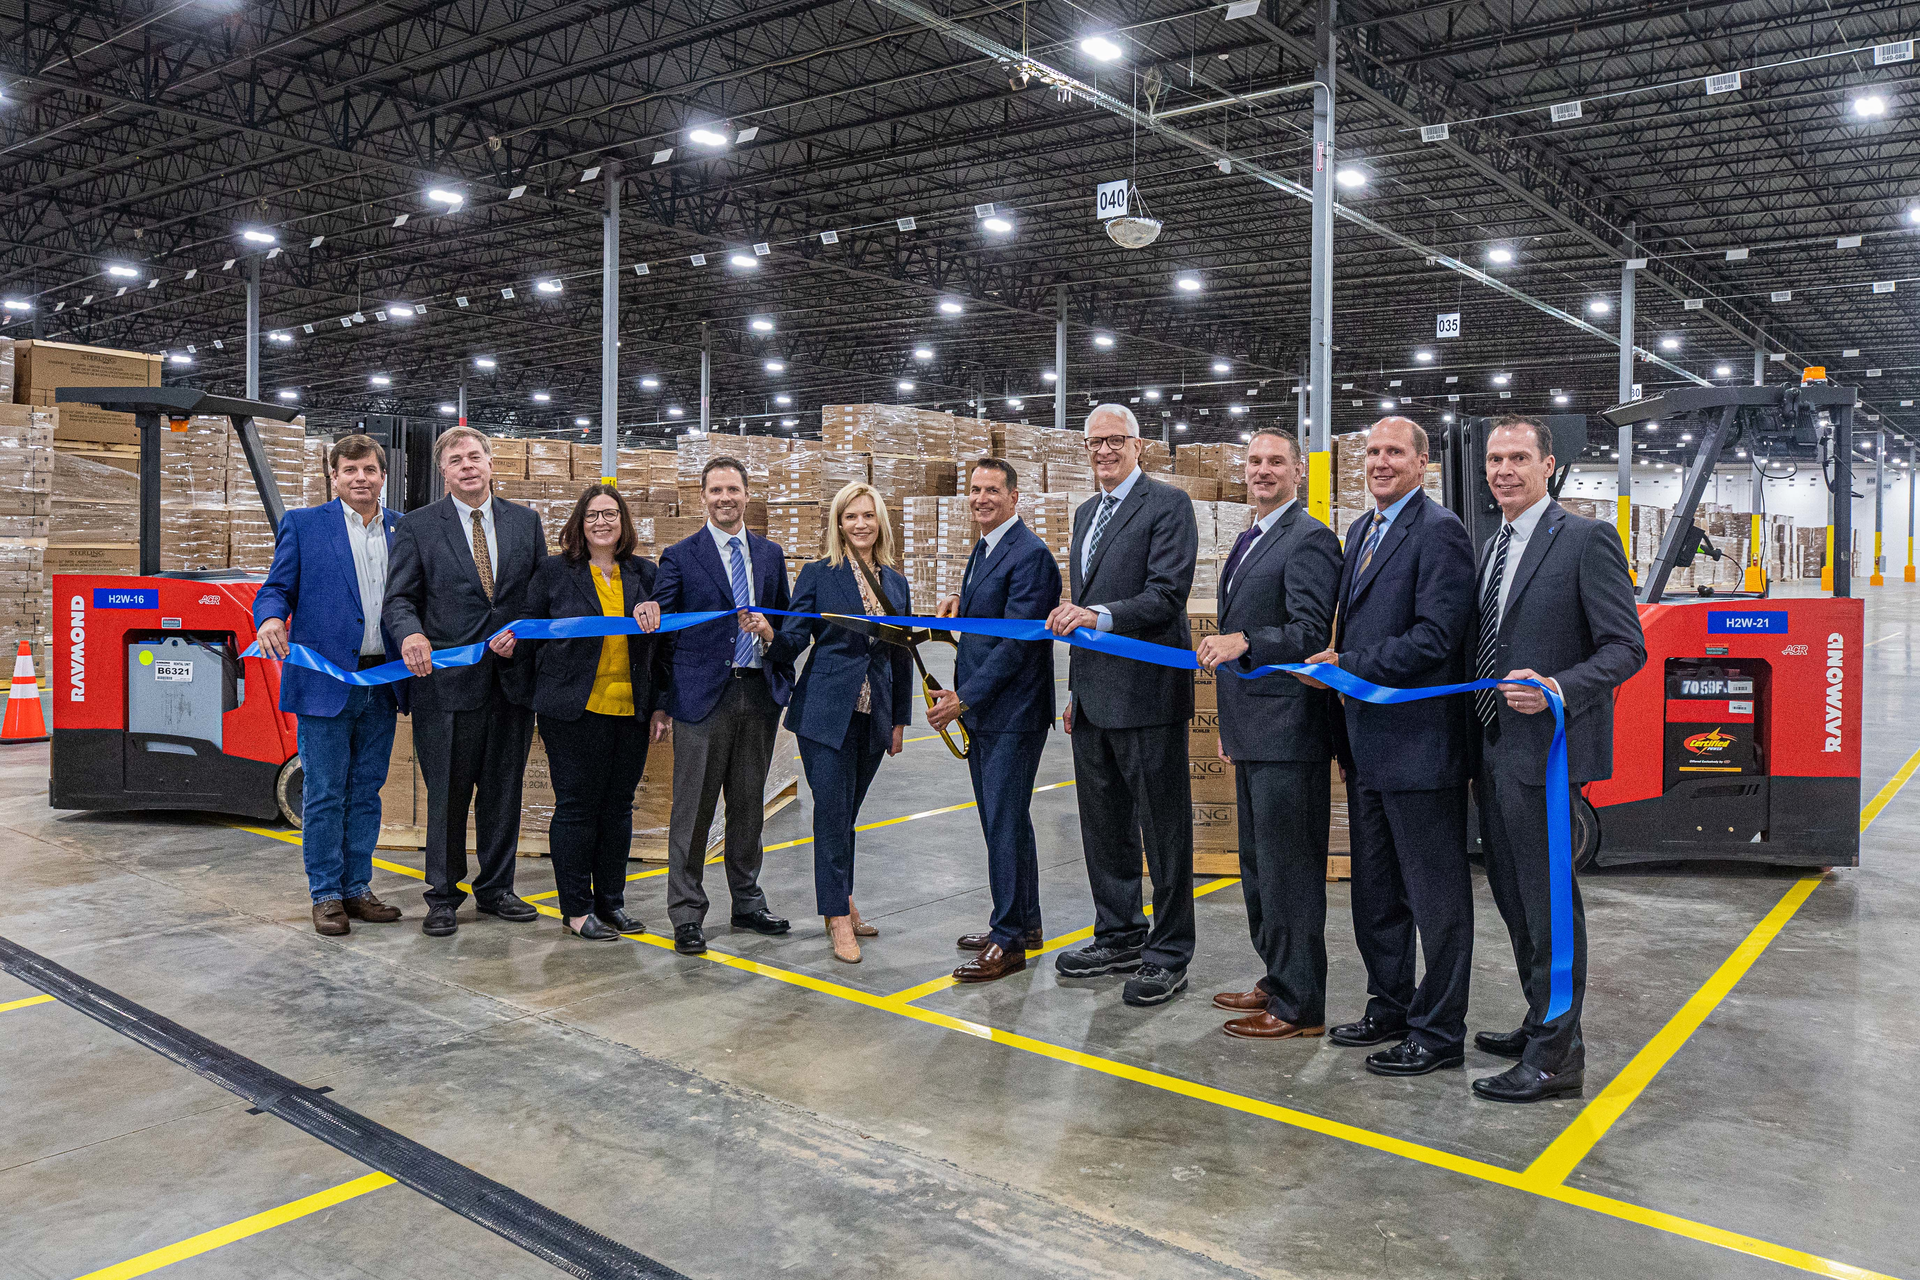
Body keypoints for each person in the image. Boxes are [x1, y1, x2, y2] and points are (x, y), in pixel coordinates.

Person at [1471, 416, 1644, 1103]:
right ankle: (1541, 1017)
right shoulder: (1493, 545)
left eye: (1518, 457)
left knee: (1548, 906)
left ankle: (1556, 1059)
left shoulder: (1585, 539)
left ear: (1548, 466)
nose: (1504, 470)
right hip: (1494, 750)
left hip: (1545, 756)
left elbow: (1626, 647)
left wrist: (1557, 688)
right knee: (1514, 898)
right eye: (1495, 459)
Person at [1298, 415, 1476, 1077]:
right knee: (1376, 891)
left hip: (1420, 746)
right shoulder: (1361, 529)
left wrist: (1348, 666)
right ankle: (1390, 1005)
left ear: (1422, 463)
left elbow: (1436, 637)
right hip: (1367, 746)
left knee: (1436, 899)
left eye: (1394, 451)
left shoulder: (1439, 531)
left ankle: (1440, 1030)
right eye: (1372, 451)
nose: (1379, 461)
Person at [1047, 404, 1199, 1007]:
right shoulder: (1086, 512)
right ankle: (1119, 933)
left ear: (1139, 446)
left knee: (1163, 832)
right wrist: (1076, 691)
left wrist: (1097, 616)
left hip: (1147, 696)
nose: (1104, 451)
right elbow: (1083, 602)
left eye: (1115, 440)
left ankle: (1169, 952)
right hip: (1094, 698)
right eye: (1094, 443)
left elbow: (1166, 595)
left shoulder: (1168, 505)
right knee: (1104, 827)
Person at [1197, 429, 1342, 1039]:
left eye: (1275, 462)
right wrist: (1232, 725)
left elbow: (1309, 631)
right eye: (1255, 461)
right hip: (1254, 727)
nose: (1263, 470)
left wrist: (1246, 640)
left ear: (1297, 473)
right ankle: (1278, 975)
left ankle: (1300, 1004)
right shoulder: (1251, 536)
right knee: (1259, 866)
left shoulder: (1309, 539)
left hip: (1289, 730)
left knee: (1289, 871)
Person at [384, 426, 548, 938]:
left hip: (510, 684)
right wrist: (410, 634)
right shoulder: (417, 526)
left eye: (475, 456)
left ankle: (497, 888)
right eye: (456, 460)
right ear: (443, 472)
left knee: (503, 792)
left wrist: (525, 639)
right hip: (446, 688)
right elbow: (399, 599)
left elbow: (539, 598)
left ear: (491, 463)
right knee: (448, 797)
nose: (467, 466)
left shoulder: (525, 522)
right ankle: (442, 895)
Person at [637, 456, 795, 957]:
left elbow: (786, 624)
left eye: (733, 489)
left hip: (758, 692)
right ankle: (686, 913)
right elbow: (663, 632)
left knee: (748, 808)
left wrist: (773, 645)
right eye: (715, 490)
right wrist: (662, 701)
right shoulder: (680, 556)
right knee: (694, 811)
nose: (725, 498)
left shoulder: (769, 555)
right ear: (702, 496)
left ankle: (747, 902)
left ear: (747, 494)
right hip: (702, 698)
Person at [254, 434, 409, 936]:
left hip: (383, 680)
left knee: (366, 791)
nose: (360, 478)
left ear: (383, 476)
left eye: (369, 470)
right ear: (334, 476)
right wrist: (270, 619)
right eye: (350, 470)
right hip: (325, 681)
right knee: (324, 792)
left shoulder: (403, 529)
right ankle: (325, 894)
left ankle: (357, 888)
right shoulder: (304, 525)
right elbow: (276, 588)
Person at [932, 458, 1063, 984]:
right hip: (988, 712)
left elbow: (1016, 646)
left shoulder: (1030, 555)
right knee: (1004, 820)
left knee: (1003, 822)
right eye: (974, 490)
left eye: (991, 490)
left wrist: (962, 699)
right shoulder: (985, 547)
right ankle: (1024, 923)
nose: (981, 498)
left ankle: (1007, 941)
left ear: (1014, 497)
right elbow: (992, 615)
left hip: (1012, 712)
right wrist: (960, 603)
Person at [522, 485, 671, 942]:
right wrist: (537, 693)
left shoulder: (646, 573)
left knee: (618, 808)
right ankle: (576, 909)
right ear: (579, 524)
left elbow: (664, 646)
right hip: (573, 711)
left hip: (631, 710)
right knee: (576, 808)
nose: (601, 522)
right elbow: (527, 635)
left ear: (623, 522)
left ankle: (611, 902)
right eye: (592, 515)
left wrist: (661, 704)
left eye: (610, 514)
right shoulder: (554, 572)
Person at [773, 483, 913, 964]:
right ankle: (836, 915)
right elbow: (794, 636)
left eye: (868, 516)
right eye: (851, 516)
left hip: (875, 715)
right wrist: (769, 634)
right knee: (832, 813)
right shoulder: (819, 574)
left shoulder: (896, 583)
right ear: (838, 523)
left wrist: (899, 721)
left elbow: (901, 653)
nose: (860, 524)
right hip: (824, 713)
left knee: (847, 815)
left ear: (880, 523)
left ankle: (843, 897)